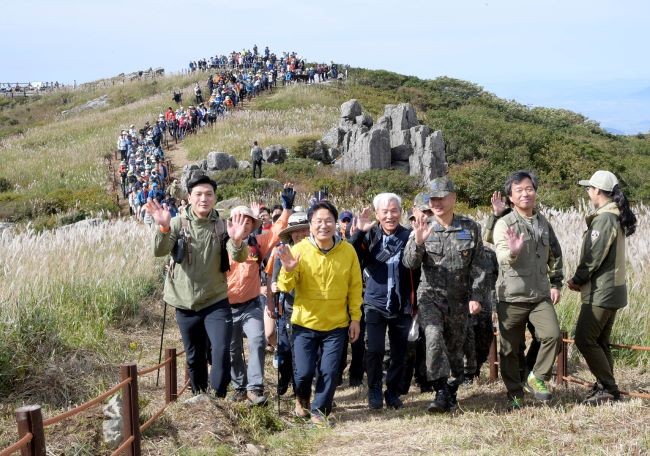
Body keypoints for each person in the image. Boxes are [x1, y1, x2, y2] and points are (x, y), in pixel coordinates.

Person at [147, 174, 249, 397]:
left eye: (209, 194)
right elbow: (159, 251)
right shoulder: (177, 224)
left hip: (216, 300)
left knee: (221, 351)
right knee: (194, 357)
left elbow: (239, 257)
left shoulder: (222, 226)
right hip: (185, 303)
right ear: (189, 197)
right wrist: (163, 228)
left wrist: (237, 241)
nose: (204, 199)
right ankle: (200, 396)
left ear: (215, 197)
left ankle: (218, 396)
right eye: (199, 194)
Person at [403, 177, 485, 413]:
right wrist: (418, 242)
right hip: (431, 297)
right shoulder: (423, 226)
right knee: (433, 337)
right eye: (432, 199)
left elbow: (479, 266)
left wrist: (476, 296)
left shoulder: (469, 227)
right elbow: (409, 263)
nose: (436, 203)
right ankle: (439, 391)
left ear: (453, 198)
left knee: (455, 348)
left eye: (441, 198)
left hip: (459, 299)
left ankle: (451, 390)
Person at [277, 200, 362, 425]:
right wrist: (288, 270)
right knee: (304, 373)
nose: (324, 225)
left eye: (329, 221)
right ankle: (302, 398)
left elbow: (355, 287)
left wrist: (355, 318)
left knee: (329, 371)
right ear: (310, 224)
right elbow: (285, 286)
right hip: (304, 323)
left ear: (336, 223)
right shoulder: (299, 250)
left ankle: (319, 412)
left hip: (336, 324)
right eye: (318, 221)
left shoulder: (348, 251)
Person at [492, 170, 563, 409]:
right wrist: (513, 252)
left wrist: (556, 283)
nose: (525, 194)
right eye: (519, 190)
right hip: (511, 296)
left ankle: (537, 376)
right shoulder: (504, 223)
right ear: (511, 197)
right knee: (509, 350)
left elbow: (555, 255)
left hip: (539, 295)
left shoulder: (543, 223)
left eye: (529, 189)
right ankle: (515, 393)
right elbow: (502, 254)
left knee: (552, 335)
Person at [568, 170, 637, 405]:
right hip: (612, 289)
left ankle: (609, 388)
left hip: (602, 291)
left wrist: (578, 279)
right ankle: (605, 386)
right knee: (599, 341)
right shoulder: (614, 215)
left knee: (584, 338)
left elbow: (594, 255)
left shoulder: (605, 218)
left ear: (597, 190)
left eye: (589, 188)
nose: (587, 192)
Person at [350, 193, 419, 409]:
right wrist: (359, 232)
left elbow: (417, 268)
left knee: (399, 352)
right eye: (385, 212)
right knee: (375, 349)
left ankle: (393, 392)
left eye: (394, 211)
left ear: (401, 212)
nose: (390, 216)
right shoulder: (369, 235)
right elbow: (351, 255)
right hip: (374, 302)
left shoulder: (409, 236)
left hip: (402, 303)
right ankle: (374, 390)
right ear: (377, 214)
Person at [226, 187, 293, 406]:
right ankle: (239, 387)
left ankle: (255, 388)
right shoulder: (221, 245)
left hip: (251, 305)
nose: (244, 225)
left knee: (257, 340)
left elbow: (276, 231)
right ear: (230, 223)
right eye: (239, 220)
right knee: (233, 349)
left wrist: (287, 210)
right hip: (226, 307)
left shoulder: (257, 243)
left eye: (248, 222)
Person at [270, 211, 311, 396]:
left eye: (304, 229)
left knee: (303, 352)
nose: (300, 234)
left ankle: (299, 389)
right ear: (290, 234)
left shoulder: (318, 251)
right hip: (288, 308)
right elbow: (274, 280)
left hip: (312, 309)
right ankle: (286, 378)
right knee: (287, 349)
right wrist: (275, 287)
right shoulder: (283, 251)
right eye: (296, 230)